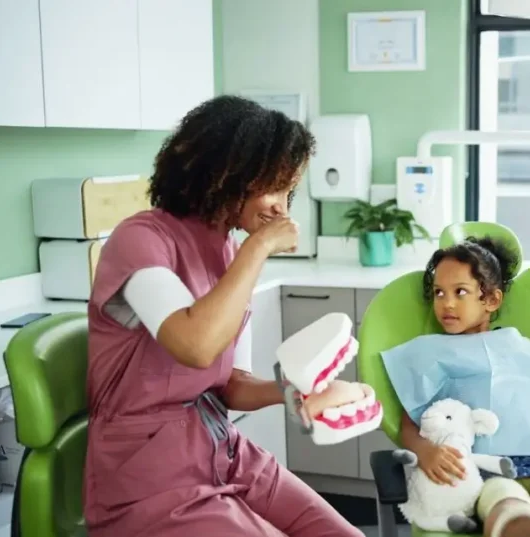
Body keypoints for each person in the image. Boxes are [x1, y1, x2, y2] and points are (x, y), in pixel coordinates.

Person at [83, 95, 366, 536]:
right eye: (272, 186)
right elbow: (196, 346)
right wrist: (259, 248)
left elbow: (229, 384)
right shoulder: (140, 239)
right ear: (224, 175)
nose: (281, 206)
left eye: (288, 190)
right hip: (148, 478)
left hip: (221, 451)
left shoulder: (230, 251)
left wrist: (295, 393)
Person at [384, 237, 530, 537]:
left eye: (460, 292)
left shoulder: (523, 349)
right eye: (439, 293)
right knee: (510, 507)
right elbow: (408, 423)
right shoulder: (430, 354)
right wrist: (425, 451)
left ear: (491, 300)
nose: (446, 303)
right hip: (487, 470)